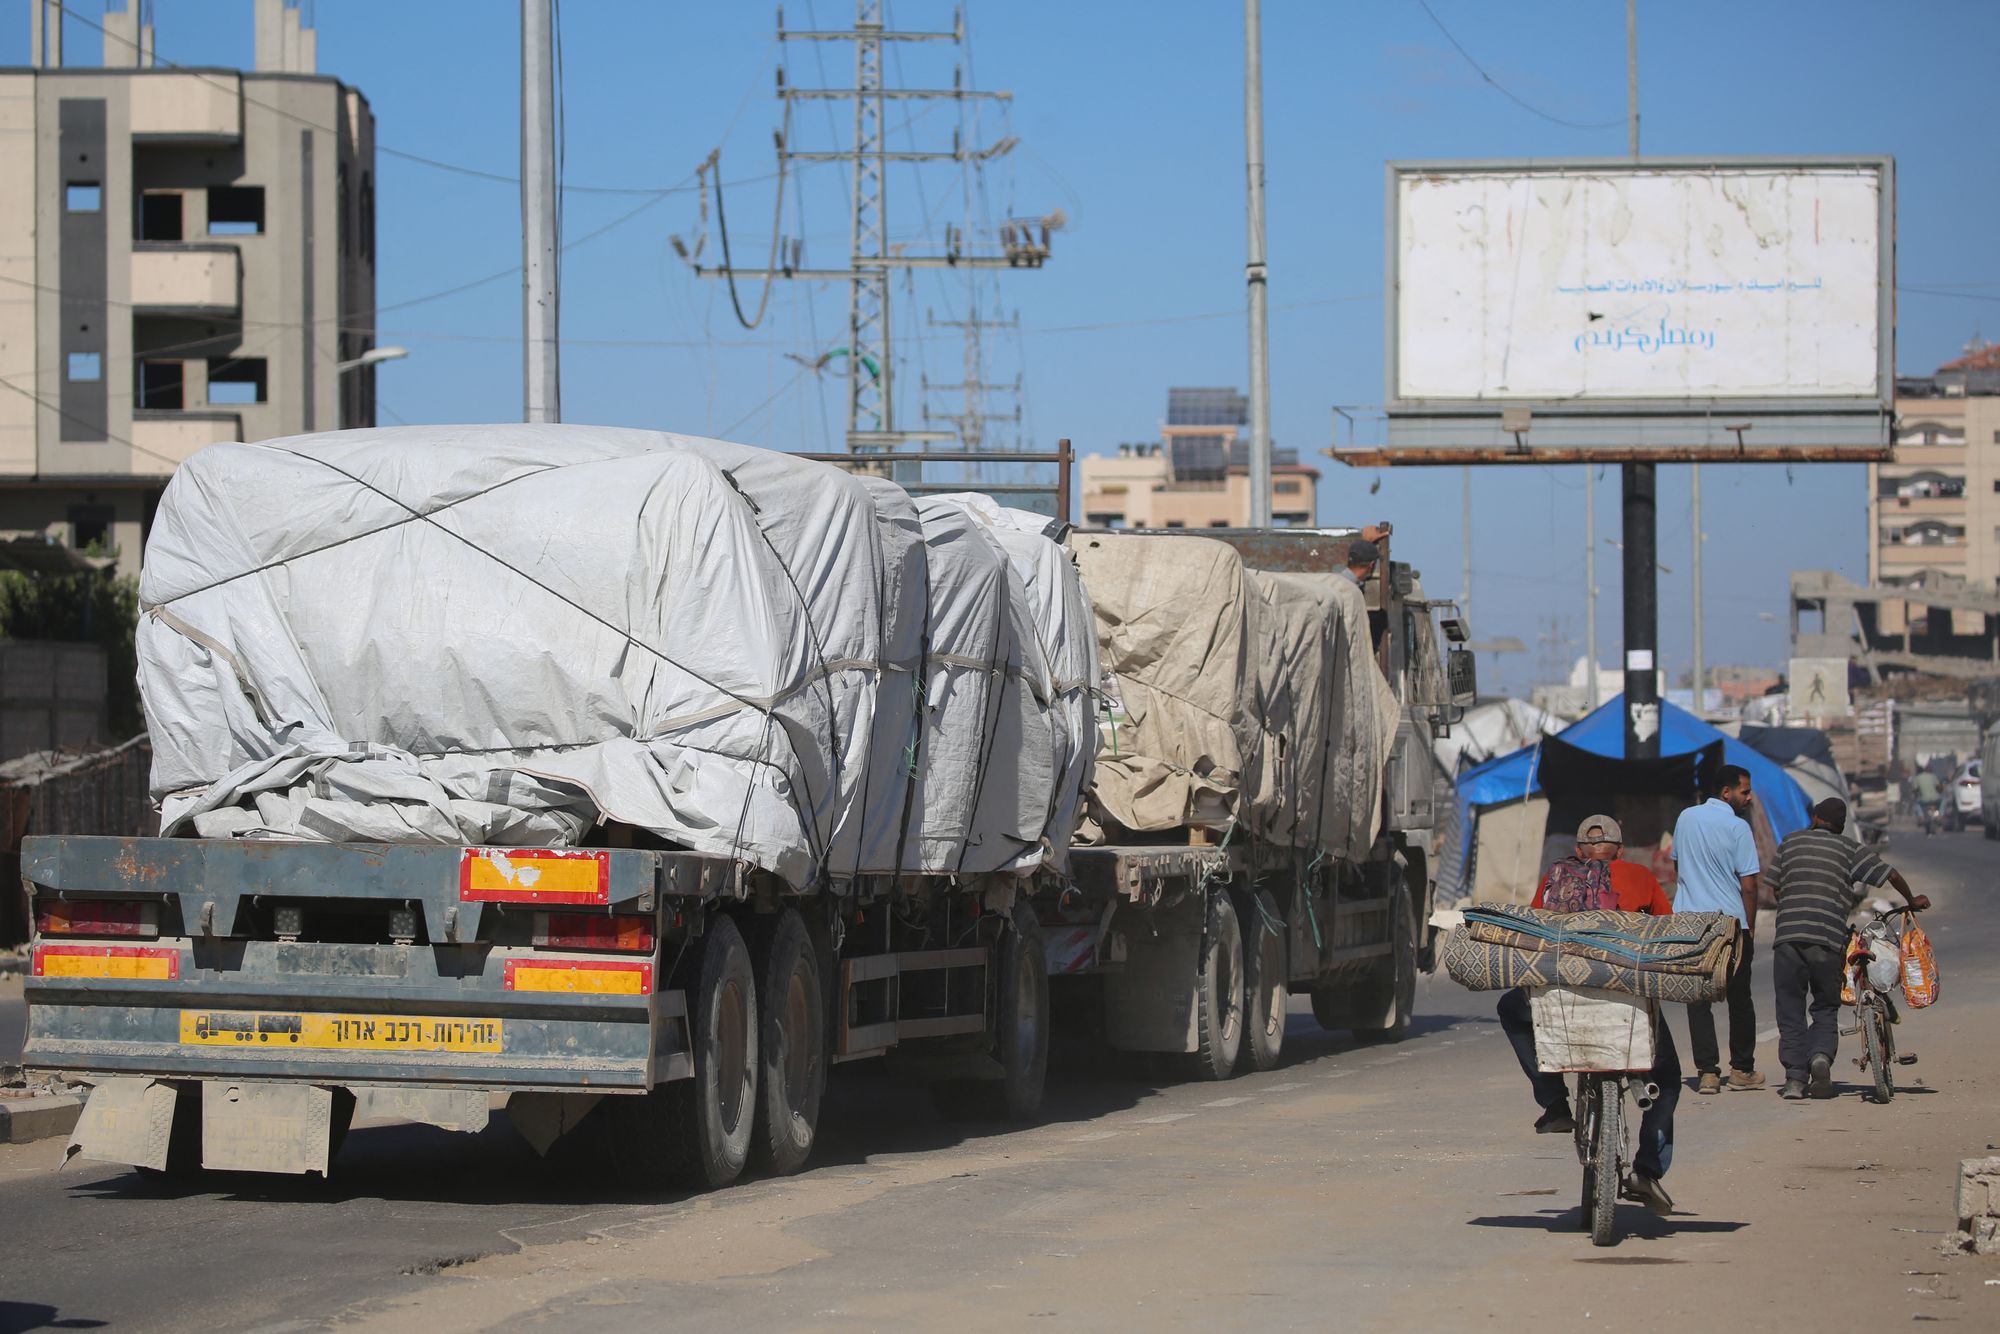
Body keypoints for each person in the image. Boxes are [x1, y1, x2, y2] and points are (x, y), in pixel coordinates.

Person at [1496, 814, 1681, 1217]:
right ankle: (1647, 1168)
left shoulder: (1555, 876)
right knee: (1667, 1081)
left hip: (1562, 995)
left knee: (1510, 1008)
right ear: (1620, 849)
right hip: (1627, 997)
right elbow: (1665, 934)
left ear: (1578, 851)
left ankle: (1554, 1102)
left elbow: (1535, 931)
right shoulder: (1640, 876)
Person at [1771, 797, 1928, 1100]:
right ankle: (1819, 1056)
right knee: (1825, 1006)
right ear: (1841, 827)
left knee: (1790, 1009)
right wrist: (1911, 900)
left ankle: (1794, 1079)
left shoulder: (1790, 842)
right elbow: (1890, 874)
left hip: (1788, 937)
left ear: (1815, 818)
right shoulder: (1849, 849)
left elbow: (1775, 886)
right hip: (1828, 939)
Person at [1670, 764, 1764, 1094]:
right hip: (1730, 923)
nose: (1749, 798)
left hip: (1690, 923)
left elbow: (1679, 866)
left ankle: (1708, 1073)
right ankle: (1742, 1069)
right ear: (1727, 792)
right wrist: (1748, 928)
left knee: (1698, 999)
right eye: (1745, 791)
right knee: (1740, 998)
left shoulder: (1685, 818)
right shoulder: (1738, 828)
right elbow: (1749, 885)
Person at [1911, 768, 1943, 836]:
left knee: (1916, 803)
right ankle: (1940, 814)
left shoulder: (1918, 777)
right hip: (1935, 799)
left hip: (1924, 800)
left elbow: (1914, 789)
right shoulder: (1933, 776)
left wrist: (1916, 793)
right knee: (1943, 800)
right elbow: (1939, 787)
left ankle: (1921, 816)